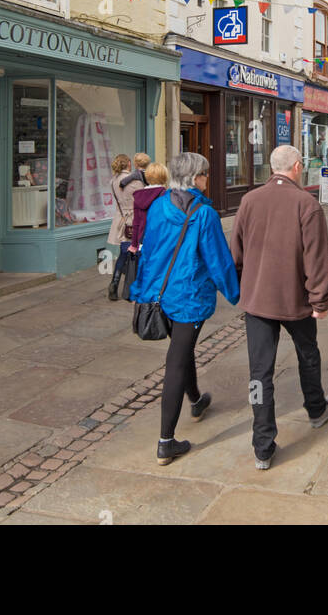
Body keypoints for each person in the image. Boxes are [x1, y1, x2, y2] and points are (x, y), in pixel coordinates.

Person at [231, 145, 328, 472]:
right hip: (295, 300)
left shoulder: (248, 201)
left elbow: (235, 252)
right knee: (308, 353)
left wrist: (242, 288)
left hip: (258, 300)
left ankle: (262, 447)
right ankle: (316, 409)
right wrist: (320, 301)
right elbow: (316, 261)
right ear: (297, 167)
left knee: (259, 373)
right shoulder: (307, 204)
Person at [131, 151, 239, 465]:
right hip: (188, 296)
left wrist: (142, 290)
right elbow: (218, 261)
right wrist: (236, 293)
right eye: (205, 173)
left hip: (157, 294)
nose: (208, 178)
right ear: (194, 178)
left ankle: (195, 399)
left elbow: (149, 251)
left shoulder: (159, 206)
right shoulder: (204, 215)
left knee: (182, 349)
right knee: (176, 360)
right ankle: (166, 441)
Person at [107, 154, 138, 301]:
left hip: (120, 218)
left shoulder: (113, 181)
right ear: (129, 164)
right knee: (129, 252)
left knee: (124, 252)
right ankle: (128, 286)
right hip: (132, 220)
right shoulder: (133, 182)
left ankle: (115, 283)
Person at [128, 162, 168, 253]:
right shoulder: (166, 195)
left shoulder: (139, 196)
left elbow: (136, 223)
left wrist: (134, 245)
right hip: (161, 240)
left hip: (143, 240)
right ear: (164, 176)